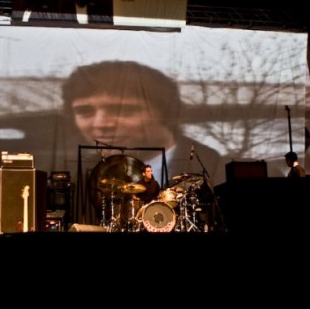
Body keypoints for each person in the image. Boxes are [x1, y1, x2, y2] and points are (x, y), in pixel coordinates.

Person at [61, 60, 221, 227]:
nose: (101, 124)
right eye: (85, 111)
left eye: (123, 111)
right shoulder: (91, 168)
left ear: (165, 113)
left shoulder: (214, 162)